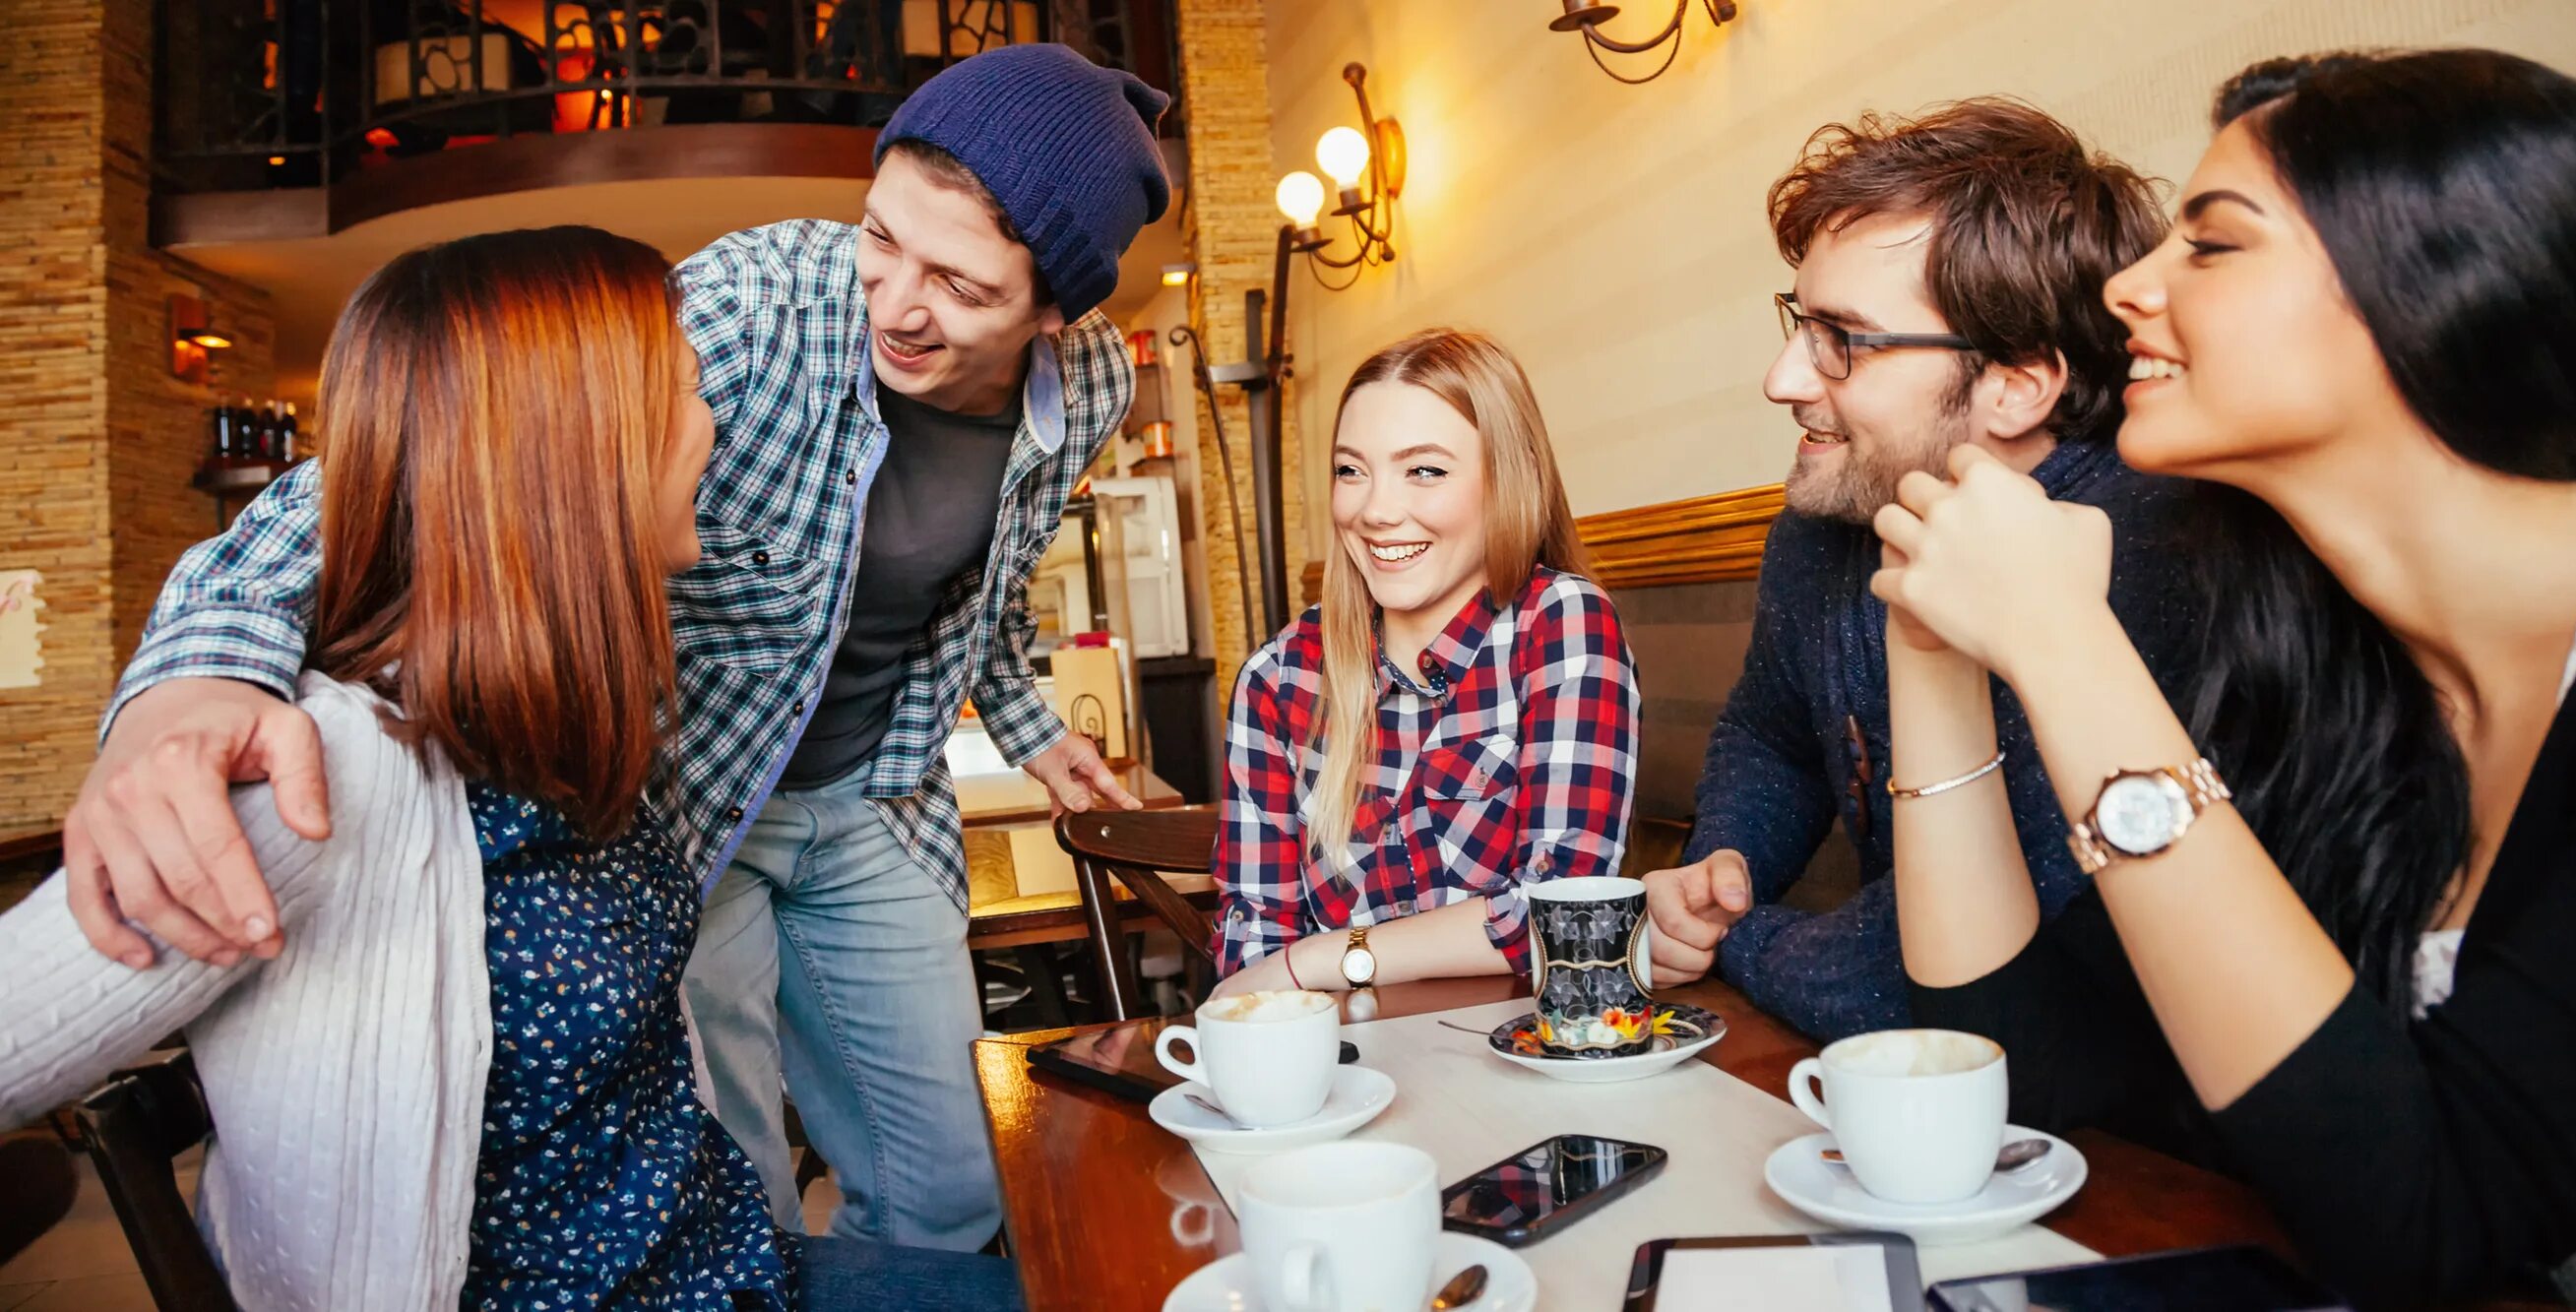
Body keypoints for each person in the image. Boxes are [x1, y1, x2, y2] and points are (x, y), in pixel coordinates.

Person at [62, 43, 1173, 1250]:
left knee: (956, 1180)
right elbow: (424, 464)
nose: (894, 304)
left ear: (1057, 311)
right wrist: (191, 679)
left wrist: (1035, 732)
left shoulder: (1094, 386)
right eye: (879, 237)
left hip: (879, 803)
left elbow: (980, 586)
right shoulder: (756, 306)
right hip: (683, 805)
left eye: (960, 287)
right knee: (727, 1185)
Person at [0, 227, 1016, 1311]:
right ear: (572, 451)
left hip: (732, 1268)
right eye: (683, 391)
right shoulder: (321, 774)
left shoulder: (572, 729)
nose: (716, 428)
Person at [1871, 50, 2576, 1307]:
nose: (2126, 287)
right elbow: (2023, 1063)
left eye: (2211, 247)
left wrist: (2063, 642)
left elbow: (2426, 1223)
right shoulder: (2313, 653)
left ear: (2444, 283)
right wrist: (1937, 652)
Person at [1634, 99, 2189, 1041]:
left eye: (1841, 339)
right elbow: (1771, 730)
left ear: (2017, 384)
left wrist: (1741, 941)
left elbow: (1915, 984)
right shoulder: (1823, 525)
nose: (1783, 379)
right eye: (1798, 324)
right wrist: (1718, 873)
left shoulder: (2142, 556)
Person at [1210, 329, 1641, 995]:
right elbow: (1253, 946)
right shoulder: (1278, 676)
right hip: (1341, 1072)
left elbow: (1564, 911)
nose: (1376, 511)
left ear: (1508, 478)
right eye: (1351, 470)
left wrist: (1321, 960)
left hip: (1519, 1064)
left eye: (1425, 470)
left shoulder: (1557, 623)